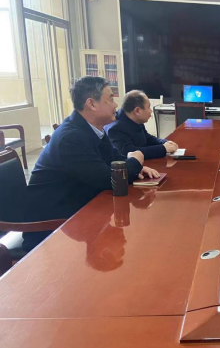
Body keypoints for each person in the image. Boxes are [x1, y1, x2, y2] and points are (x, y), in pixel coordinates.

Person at [23, 77, 159, 250]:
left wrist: (135, 166)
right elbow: (108, 180)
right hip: (52, 226)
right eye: (110, 99)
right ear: (92, 104)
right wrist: (134, 161)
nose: (115, 105)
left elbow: (114, 159)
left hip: (79, 209)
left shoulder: (93, 129)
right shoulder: (71, 137)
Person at [106, 90, 179, 159]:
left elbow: (148, 138)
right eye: (148, 107)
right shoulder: (115, 129)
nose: (151, 111)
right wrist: (163, 148)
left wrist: (164, 142)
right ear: (137, 111)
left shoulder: (134, 120)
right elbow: (131, 152)